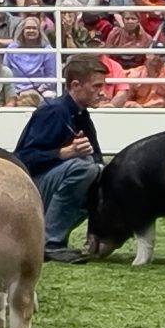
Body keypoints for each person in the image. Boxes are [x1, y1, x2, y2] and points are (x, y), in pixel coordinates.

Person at [15, 53, 107, 262]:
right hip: (30, 187)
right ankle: (49, 242)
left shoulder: (82, 114)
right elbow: (22, 158)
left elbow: (97, 156)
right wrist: (63, 153)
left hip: (49, 182)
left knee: (98, 170)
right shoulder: (52, 112)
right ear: (75, 85)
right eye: (97, 86)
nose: (102, 93)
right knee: (85, 168)